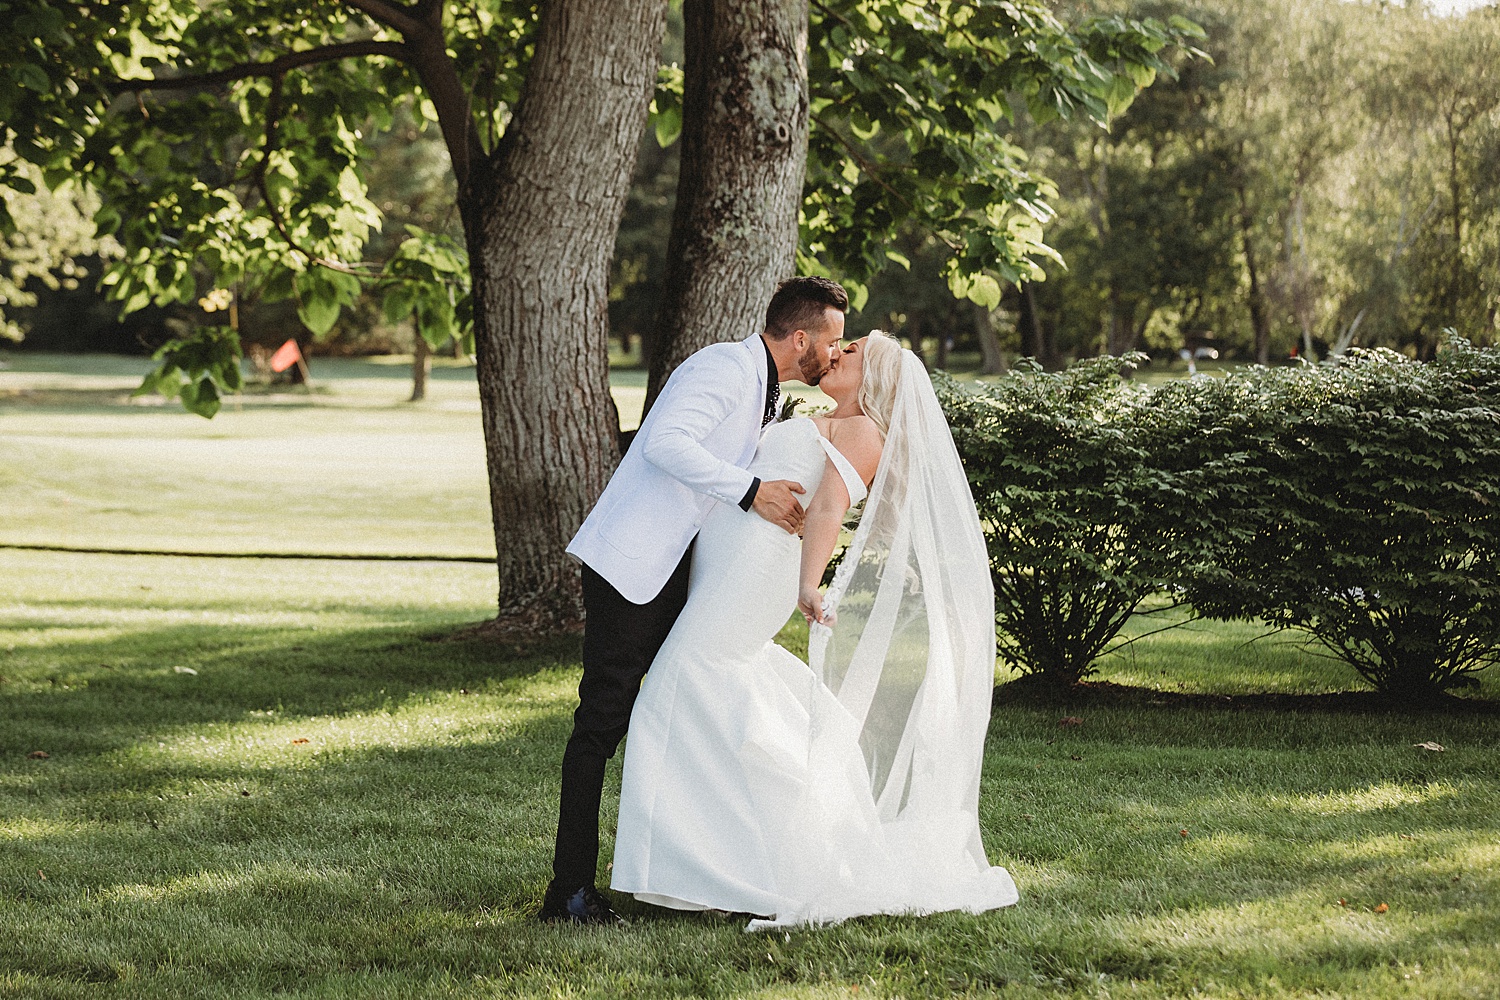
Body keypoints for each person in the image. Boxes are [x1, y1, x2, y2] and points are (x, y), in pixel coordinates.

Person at [611, 331, 1018, 928]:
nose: (836, 353)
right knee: (710, 688)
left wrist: (809, 583)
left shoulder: (862, 432)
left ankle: (719, 865)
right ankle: (737, 853)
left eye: (850, 351)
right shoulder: (828, 417)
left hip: (756, 569)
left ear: (874, 378)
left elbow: (827, 508)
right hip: (727, 560)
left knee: (681, 682)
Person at [539, 277, 848, 924]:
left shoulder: (766, 387)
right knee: (600, 725)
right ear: (801, 339)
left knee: (681, 710)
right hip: (633, 568)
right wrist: (750, 490)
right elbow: (664, 443)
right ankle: (569, 891)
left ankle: (694, 867)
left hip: (676, 572)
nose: (836, 354)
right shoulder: (723, 367)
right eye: (833, 341)